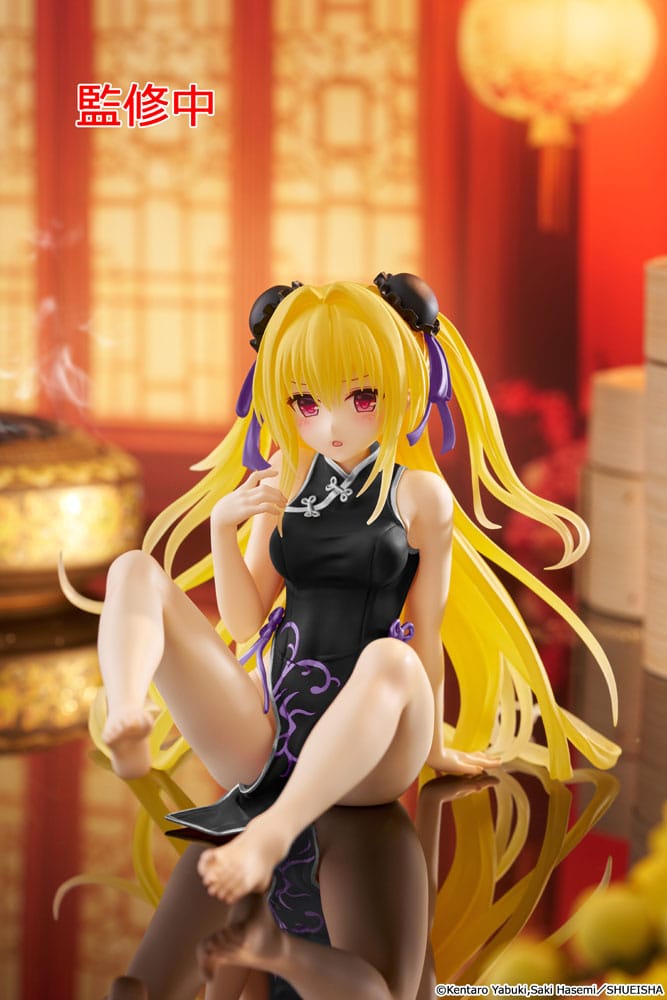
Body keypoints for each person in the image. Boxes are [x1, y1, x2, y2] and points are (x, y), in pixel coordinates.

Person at [63, 273, 619, 912]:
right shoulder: (283, 480)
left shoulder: (419, 496)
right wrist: (222, 529)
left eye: (360, 397)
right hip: (273, 741)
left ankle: (273, 833)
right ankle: (128, 715)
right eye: (306, 402)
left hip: (374, 754)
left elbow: (426, 628)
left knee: (391, 656)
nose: (330, 424)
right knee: (134, 568)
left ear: (402, 386)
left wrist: (435, 748)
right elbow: (245, 625)